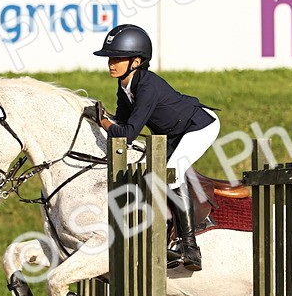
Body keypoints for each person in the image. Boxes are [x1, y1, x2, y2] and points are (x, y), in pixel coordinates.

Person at [92, 24, 220, 271]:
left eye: (118, 57)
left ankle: (190, 247)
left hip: (199, 127)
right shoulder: (124, 85)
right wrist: (101, 118)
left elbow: (128, 134)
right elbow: (123, 121)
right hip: (172, 133)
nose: (111, 63)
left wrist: (103, 121)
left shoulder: (147, 86)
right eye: (110, 57)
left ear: (137, 61)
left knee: (170, 174)